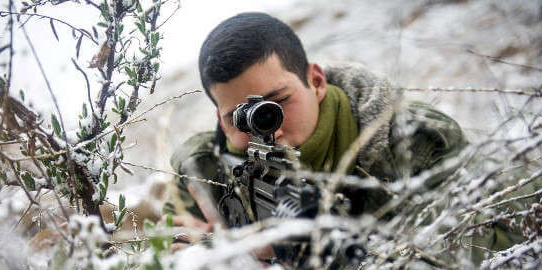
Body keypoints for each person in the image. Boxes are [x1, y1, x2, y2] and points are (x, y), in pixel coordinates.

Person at [163, 11, 465, 244]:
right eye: (239, 118)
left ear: (316, 82)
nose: (267, 131)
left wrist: (318, 264)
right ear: (222, 121)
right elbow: (164, 269)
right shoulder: (201, 169)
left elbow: (469, 263)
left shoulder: (419, 142)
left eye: (278, 103)